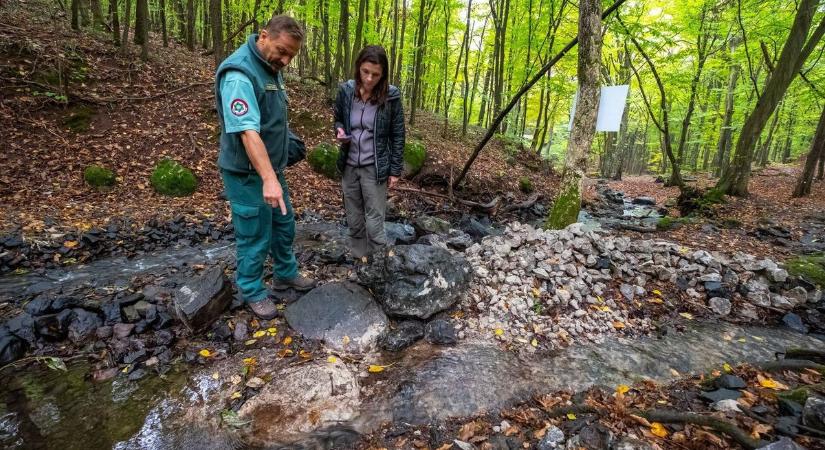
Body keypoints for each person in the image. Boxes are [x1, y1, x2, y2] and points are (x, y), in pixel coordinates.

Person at [215, 15, 316, 320]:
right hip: (247, 174)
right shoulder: (239, 73)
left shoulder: (270, 67)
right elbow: (248, 131)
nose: (285, 60)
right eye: (282, 51)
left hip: (272, 168)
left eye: (291, 56)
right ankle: (251, 289)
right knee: (254, 233)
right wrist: (268, 179)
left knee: (284, 225)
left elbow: (271, 117)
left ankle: (286, 274)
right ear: (263, 36)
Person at [334, 45, 405, 259]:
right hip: (349, 164)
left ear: (383, 74)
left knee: (374, 222)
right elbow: (338, 117)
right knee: (354, 218)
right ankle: (360, 259)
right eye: (365, 72)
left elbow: (398, 134)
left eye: (375, 74)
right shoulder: (346, 91)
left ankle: (379, 263)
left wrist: (395, 170)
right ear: (358, 68)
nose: (369, 78)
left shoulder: (391, 97)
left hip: (374, 166)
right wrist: (339, 130)